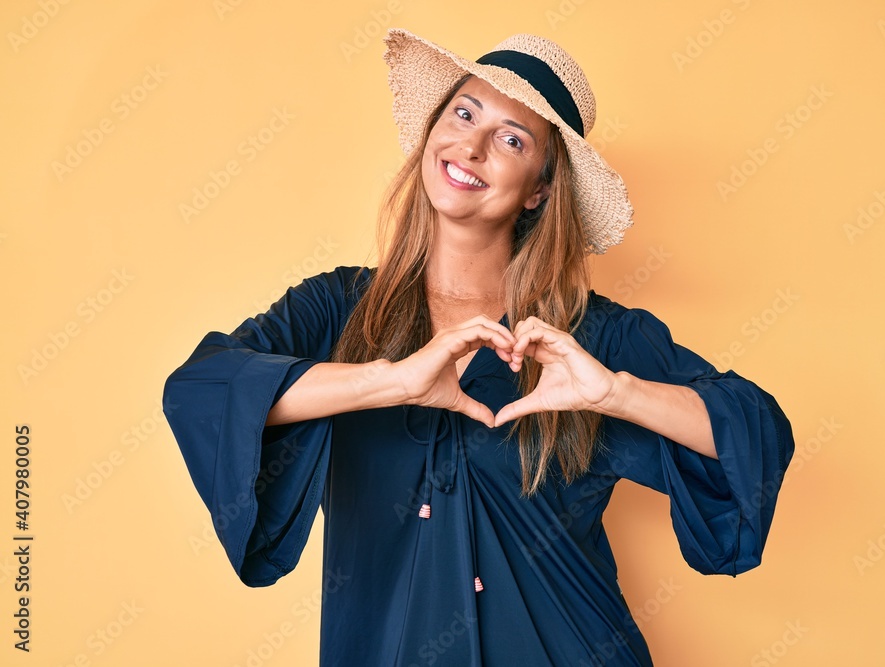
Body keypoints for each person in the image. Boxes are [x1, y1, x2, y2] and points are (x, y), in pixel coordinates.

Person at [163, 27, 795, 666]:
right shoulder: (333, 310)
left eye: (511, 139)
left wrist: (616, 393)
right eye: (464, 113)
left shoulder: (592, 337)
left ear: (540, 189)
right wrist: (393, 382)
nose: (471, 145)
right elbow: (204, 391)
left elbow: (754, 433)